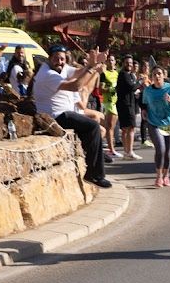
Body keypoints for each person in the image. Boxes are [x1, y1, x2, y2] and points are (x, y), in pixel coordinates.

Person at [32, 44, 112, 188]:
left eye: (62, 59)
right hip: (54, 116)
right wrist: (92, 68)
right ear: (49, 59)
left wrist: (95, 63)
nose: (60, 62)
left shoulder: (62, 68)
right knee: (93, 127)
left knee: (95, 127)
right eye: (56, 59)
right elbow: (75, 86)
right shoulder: (47, 74)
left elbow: (78, 72)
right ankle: (94, 175)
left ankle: (95, 156)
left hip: (66, 113)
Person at [141, 66, 170, 188]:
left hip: (169, 123)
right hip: (154, 122)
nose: (157, 76)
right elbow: (143, 102)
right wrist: (143, 110)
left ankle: (166, 176)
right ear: (152, 77)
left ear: (164, 75)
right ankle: (158, 176)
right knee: (160, 149)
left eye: (159, 73)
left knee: (167, 152)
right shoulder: (148, 91)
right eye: (154, 74)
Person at [115, 55, 141, 160]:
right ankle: (129, 151)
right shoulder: (124, 74)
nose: (129, 64)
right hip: (126, 104)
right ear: (123, 64)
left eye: (130, 63)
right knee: (130, 128)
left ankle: (127, 152)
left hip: (128, 103)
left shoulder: (129, 74)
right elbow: (131, 87)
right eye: (127, 63)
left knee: (126, 128)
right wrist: (140, 82)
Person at [99, 54, 119, 158]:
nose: (111, 62)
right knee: (110, 126)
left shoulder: (117, 73)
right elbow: (101, 90)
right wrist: (111, 89)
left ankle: (112, 147)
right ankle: (111, 149)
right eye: (109, 60)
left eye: (112, 60)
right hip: (109, 102)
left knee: (113, 126)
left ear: (115, 62)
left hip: (117, 101)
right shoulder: (104, 74)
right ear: (106, 62)